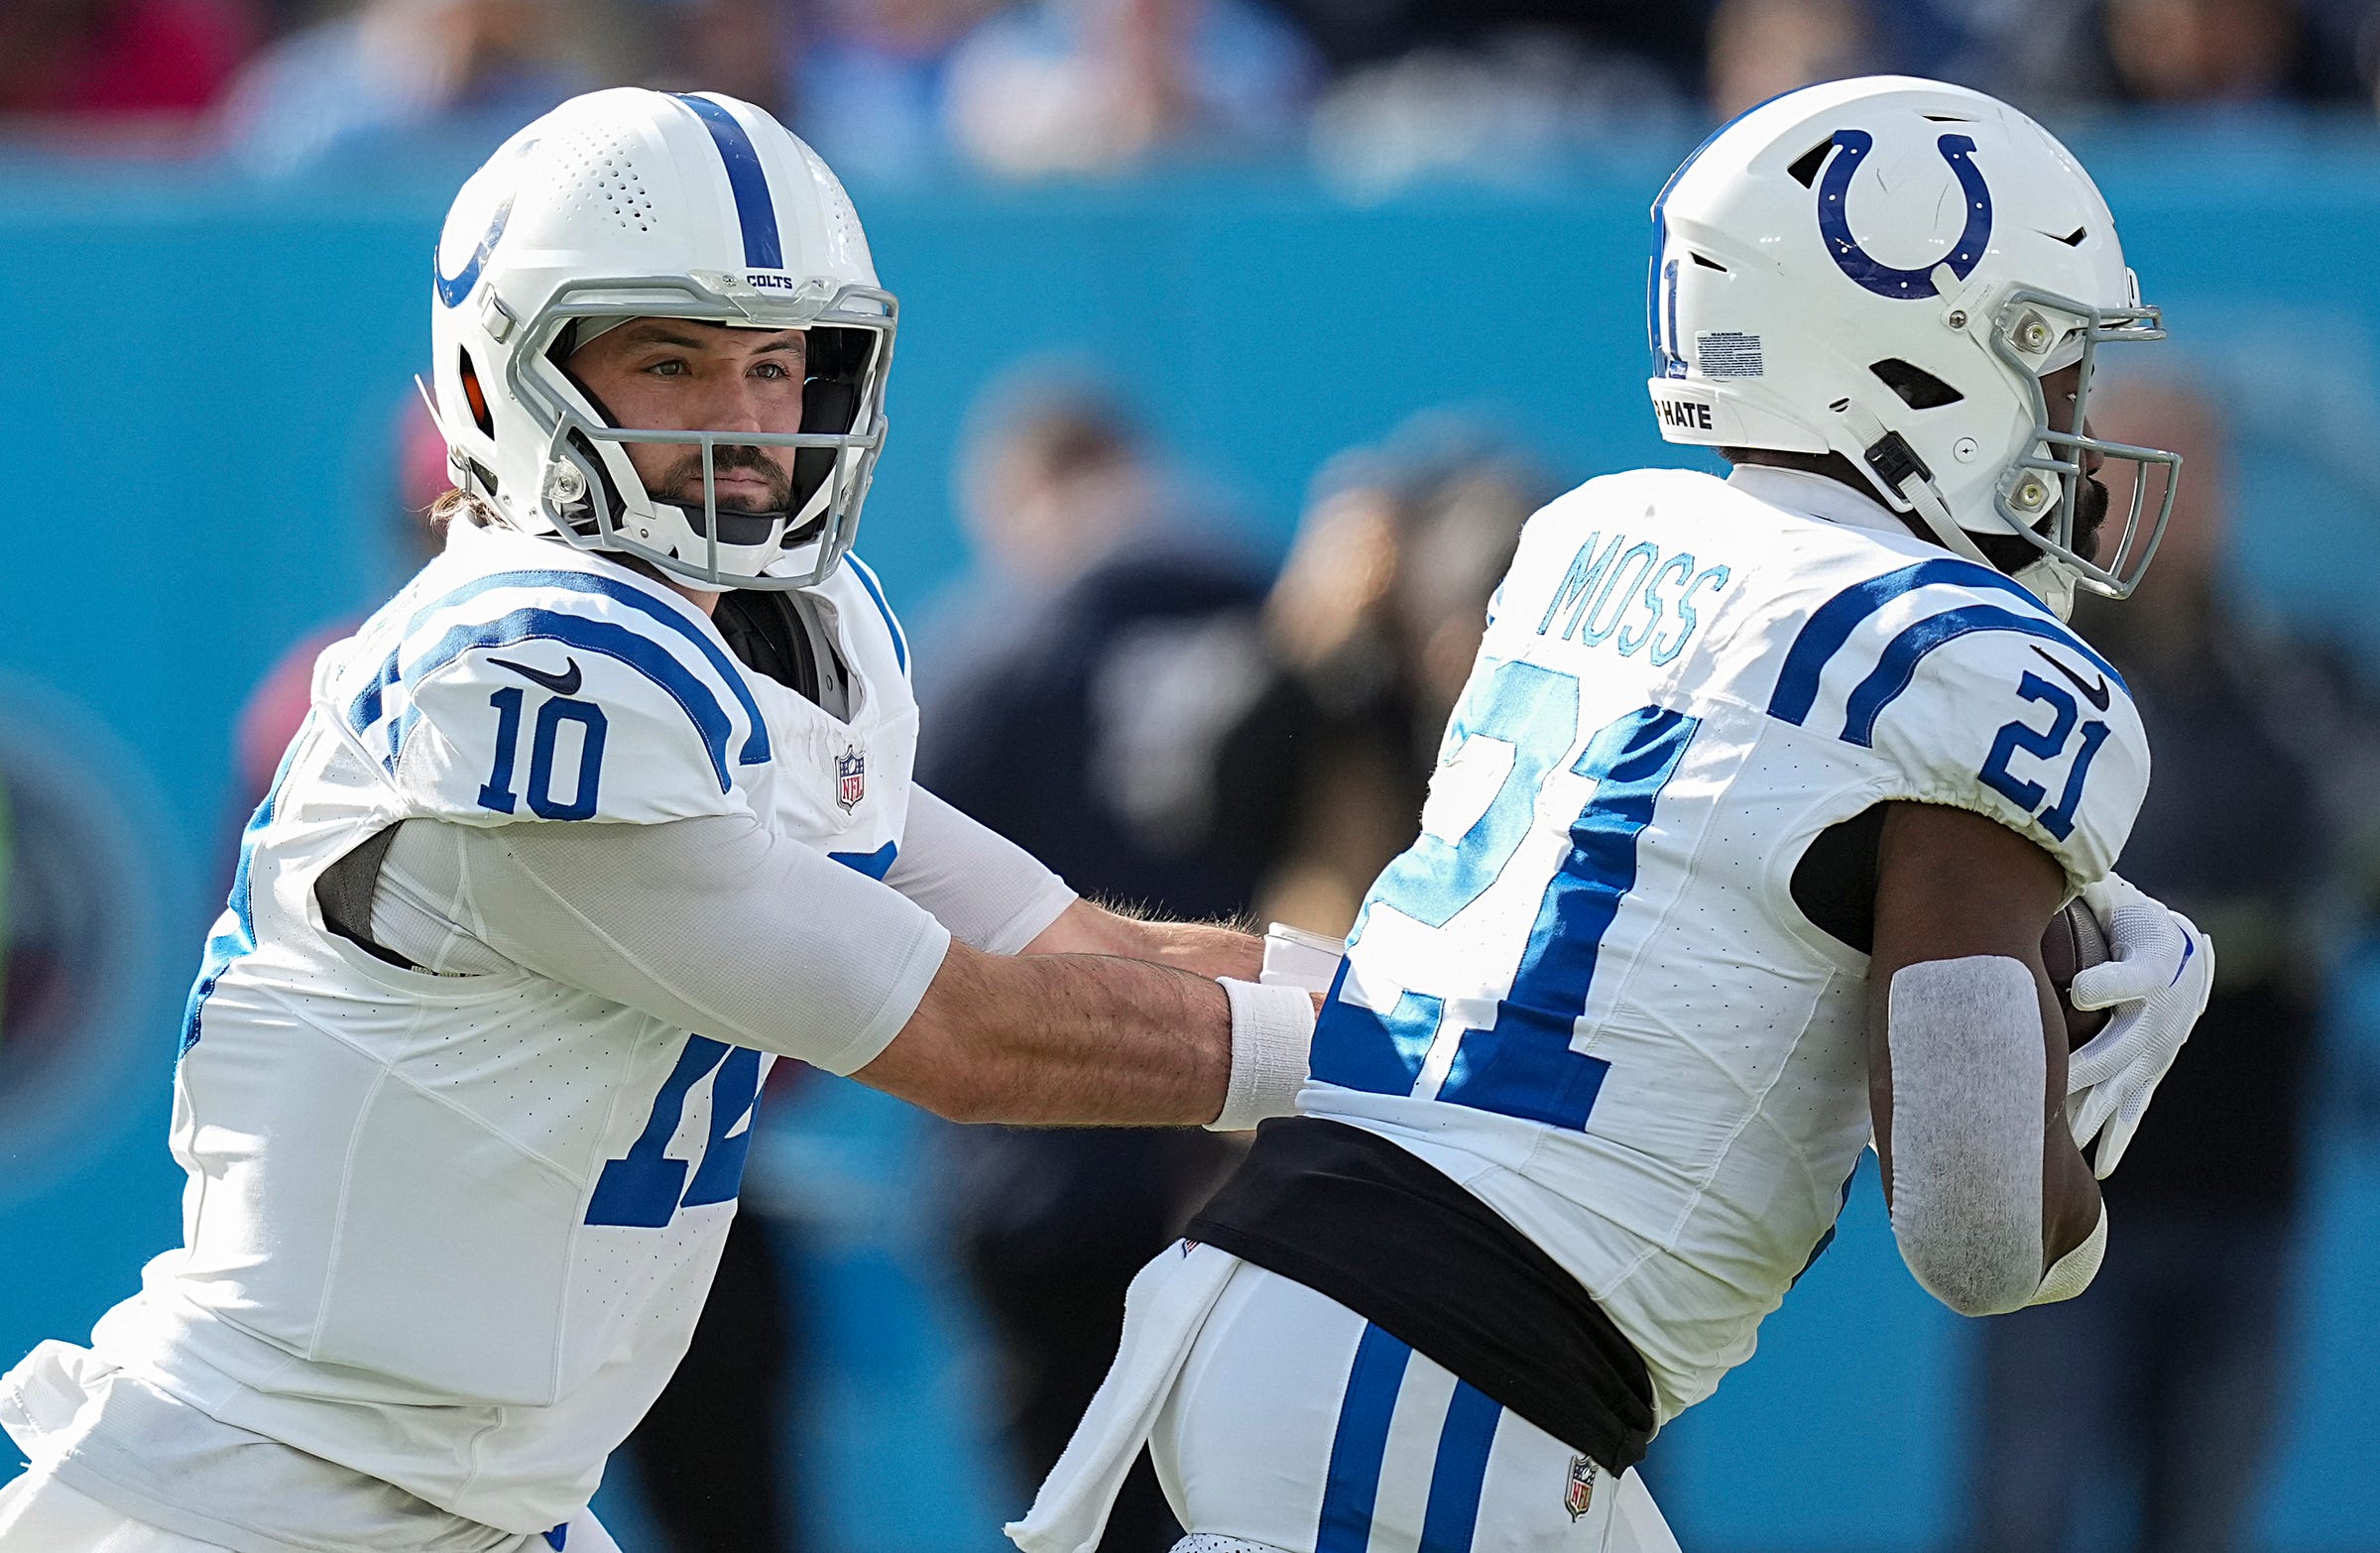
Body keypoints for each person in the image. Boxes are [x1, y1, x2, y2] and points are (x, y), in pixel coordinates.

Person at [0, 86, 1322, 1553]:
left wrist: (1437, 1019)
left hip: (482, 1506)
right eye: (674, 359)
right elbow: (972, 1031)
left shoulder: (782, 647)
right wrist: (1371, 1065)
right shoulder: (514, 677)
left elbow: (1060, 938)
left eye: (776, 363)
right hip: (259, 1501)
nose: (748, 423)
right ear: (504, 383)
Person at [1012, 75, 2218, 1553]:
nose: (2071, 424)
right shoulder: (1980, 665)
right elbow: (1977, 1226)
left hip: (1322, 1309)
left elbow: (1736, 843)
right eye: (2050, 361)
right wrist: (2087, 1120)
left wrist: (2063, 901)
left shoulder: (1599, 533)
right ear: (1920, 361)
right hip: (1446, 1362)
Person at [1960, 376, 2374, 1553]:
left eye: (2187, 464)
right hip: (2060, 1185)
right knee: (2022, 1514)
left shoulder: (2303, 684)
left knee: (2204, 1520)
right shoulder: (2022, 671)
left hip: (2252, 1180)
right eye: (2127, 464)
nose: (2159, 500)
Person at [921, 372, 1297, 1553]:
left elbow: (905, 916)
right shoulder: (1288, 620)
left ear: (1024, 495)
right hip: (1276, 1149)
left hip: (1050, 1171)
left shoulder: (991, 653)